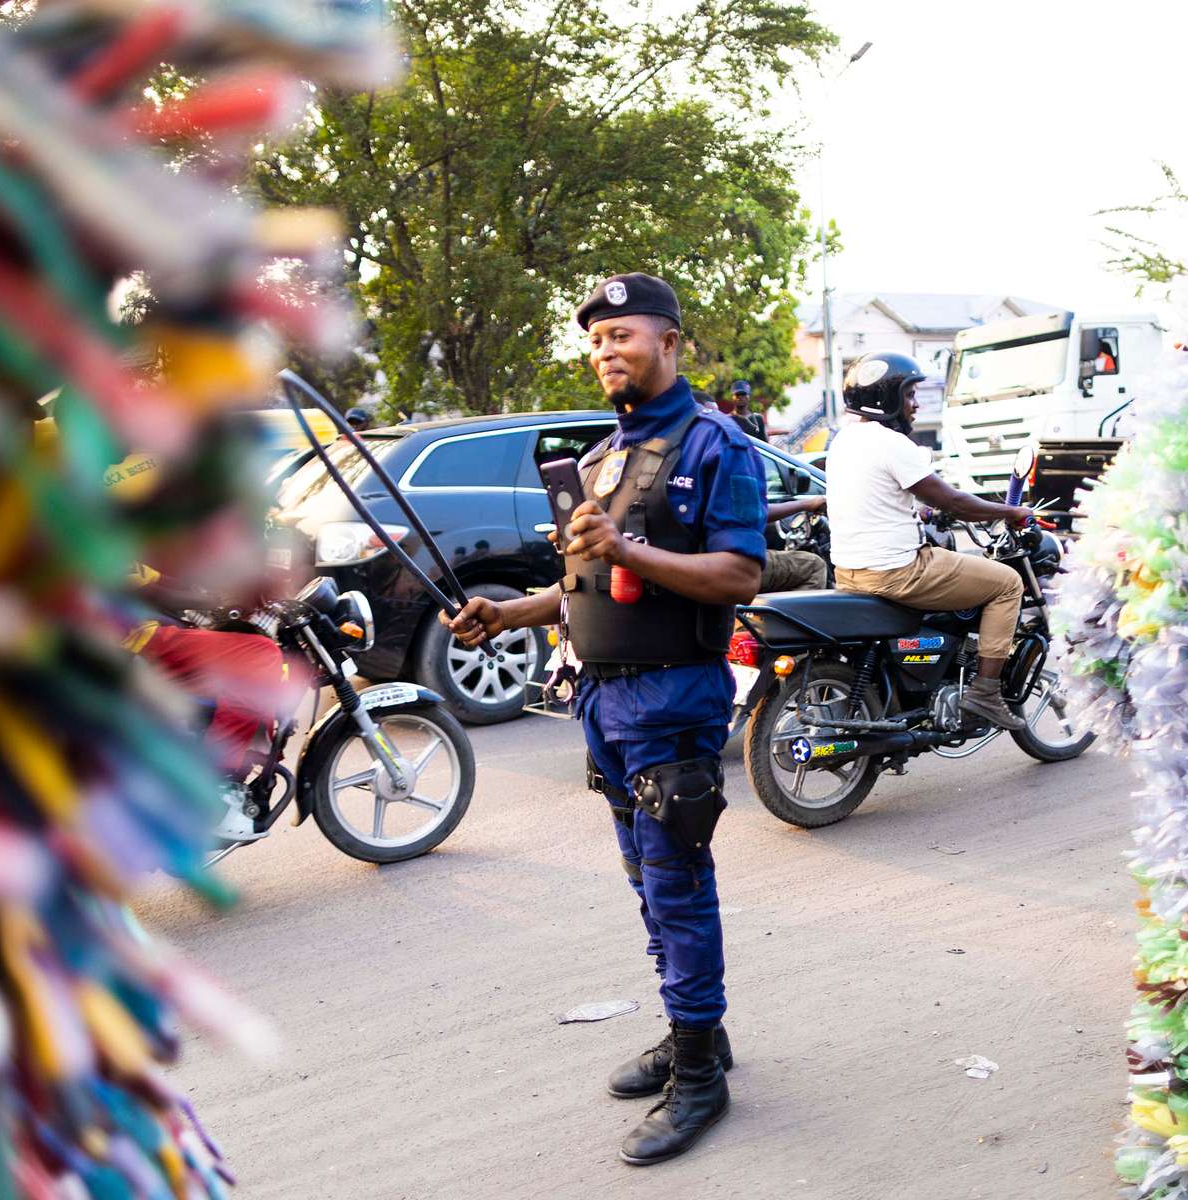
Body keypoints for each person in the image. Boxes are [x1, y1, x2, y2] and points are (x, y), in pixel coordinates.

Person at [442, 272, 764, 1166]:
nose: (605, 352)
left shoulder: (716, 447)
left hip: (673, 697)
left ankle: (699, 1073)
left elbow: (741, 576)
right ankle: (694, 1029)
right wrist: (508, 614)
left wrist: (627, 547)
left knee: (676, 880)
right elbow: (583, 586)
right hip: (602, 700)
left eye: (622, 334)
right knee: (642, 877)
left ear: (669, 342)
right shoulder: (595, 463)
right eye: (594, 341)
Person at [825, 351, 1034, 730]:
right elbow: (953, 500)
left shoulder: (844, 441)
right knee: (1007, 583)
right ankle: (985, 694)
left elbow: (878, 497)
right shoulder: (890, 442)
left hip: (851, 571)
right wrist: (1010, 512)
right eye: (909, 394)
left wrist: (919, 513)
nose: (916, 404)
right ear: (885, 398)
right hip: (898, 571)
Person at [759, 494, 829, 591]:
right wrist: (807, 504)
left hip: (731, 563)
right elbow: (755, 512)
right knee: (813, 565)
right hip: (738, 563)